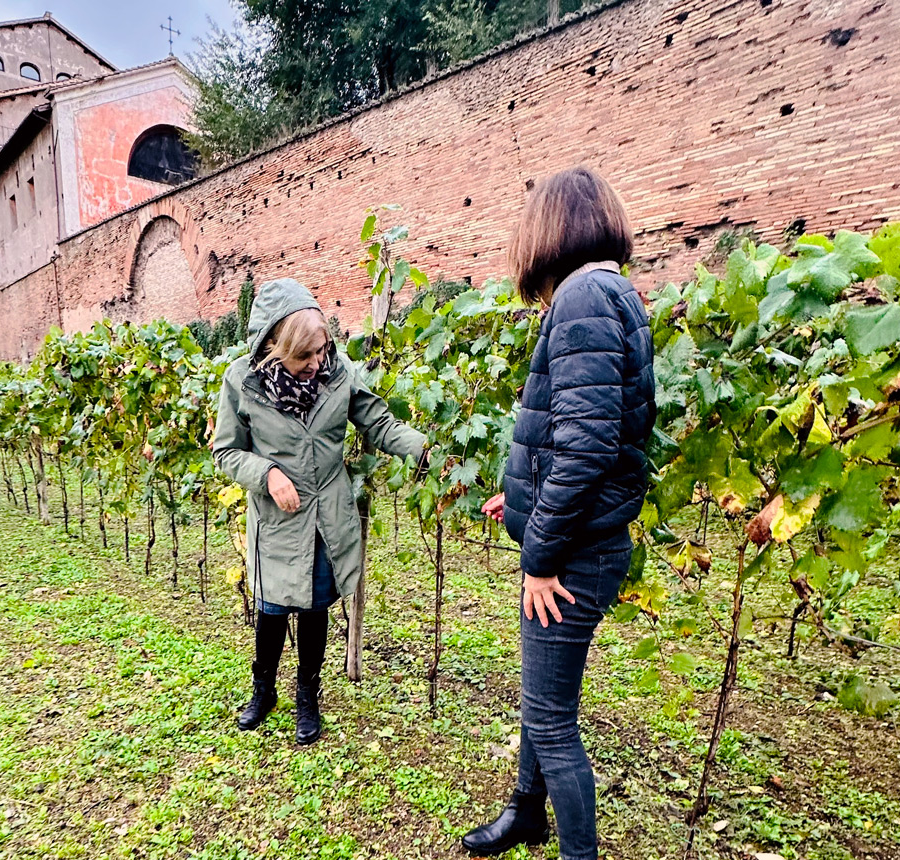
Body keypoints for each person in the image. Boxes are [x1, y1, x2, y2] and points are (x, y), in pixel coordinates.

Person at [464, 168, 655, 858]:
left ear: (548, 230)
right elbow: (577, 433)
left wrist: (538, 558)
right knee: (542, 705)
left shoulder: (580, 297)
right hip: (587, 539)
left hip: (573, 555)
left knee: (552, 723)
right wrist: (520, 495)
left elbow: (586, 447)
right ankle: (526, 814)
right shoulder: (615, 293)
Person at [212, 277, 427, 746]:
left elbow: (378, 422)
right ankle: (263, 690)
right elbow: (226, 452)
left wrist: (423, 450)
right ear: (273, 347)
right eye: (303, 356)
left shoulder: (338, 372)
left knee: (314, 606)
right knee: (270, 610)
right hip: (277, 518)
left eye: (321, 351)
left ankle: (308, 693)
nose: (316, 364)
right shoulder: (241, 383)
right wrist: (267, 474)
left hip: (327, 515)